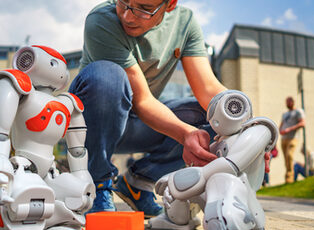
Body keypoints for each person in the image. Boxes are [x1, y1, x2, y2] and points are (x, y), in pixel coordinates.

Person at [69, 0, 227, 217]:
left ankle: (139, 182)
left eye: (144, 8)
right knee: (108, 77)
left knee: (212, 115)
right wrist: (185, 133)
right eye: (123, 2)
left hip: (137, 125)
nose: (128, 16)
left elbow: (209, 90)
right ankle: (96, 184)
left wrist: (249, 126)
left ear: (170, 4)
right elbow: (142, 101)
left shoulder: (185, 23)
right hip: (92, 121)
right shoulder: (101, 20)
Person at [279, 96, 305, 184]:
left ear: (293, 102)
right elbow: (281, 124)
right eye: (286, 102)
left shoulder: (298, 112)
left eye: (289, 101)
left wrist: (289, 129)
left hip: (292, 138)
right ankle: (288, 177)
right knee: (286, 158)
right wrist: (280, 130)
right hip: (284, 139)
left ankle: (290, 178)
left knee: (289, 155)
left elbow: (302, 123)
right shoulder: (284, 114)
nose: (287, 103)